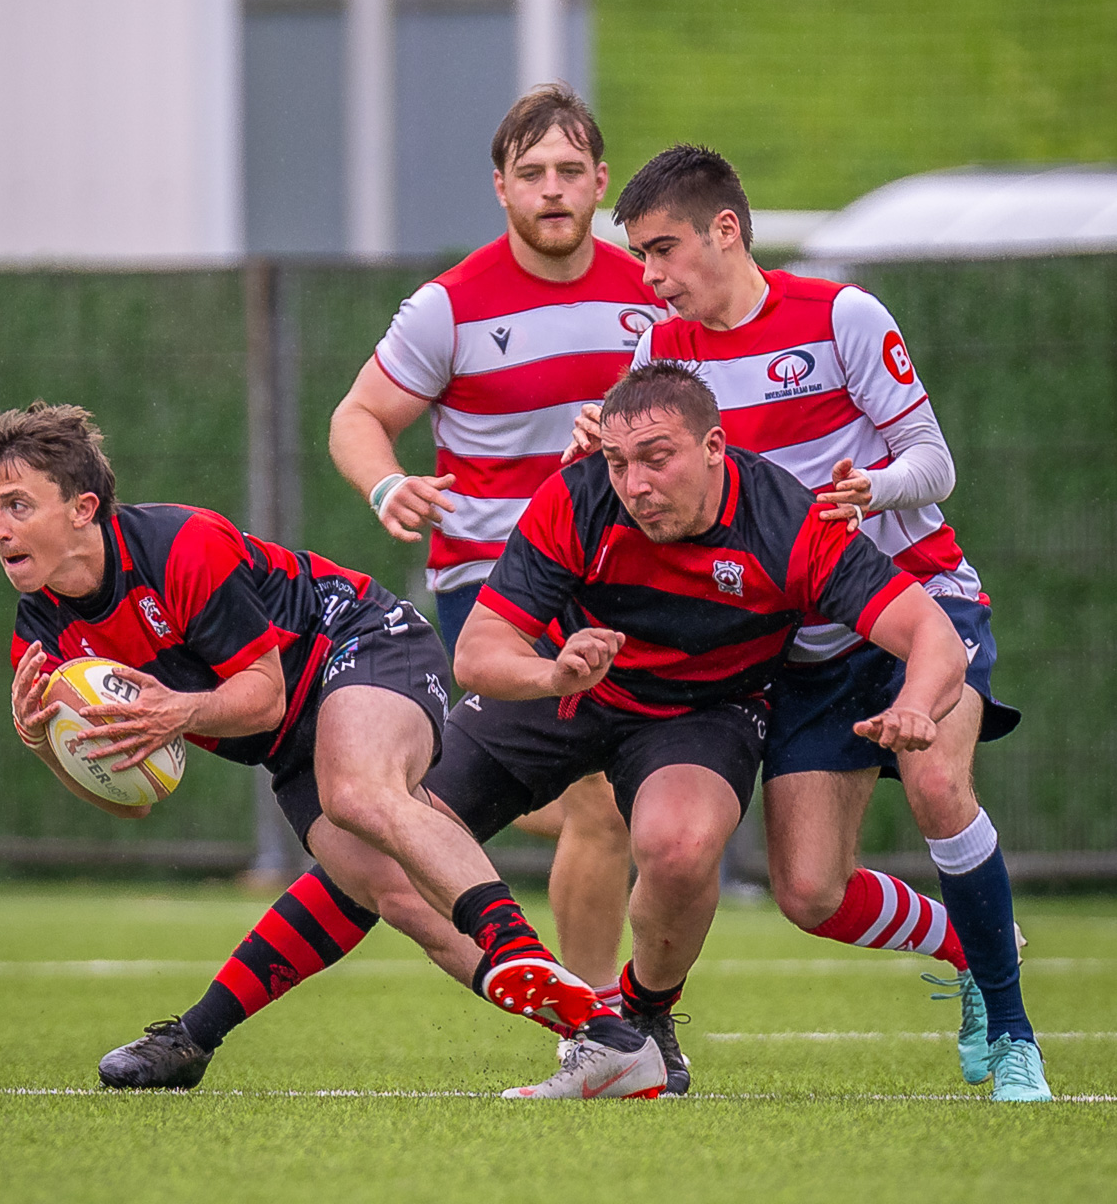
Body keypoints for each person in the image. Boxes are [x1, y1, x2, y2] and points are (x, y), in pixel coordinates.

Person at [0, 400, 666, 1100]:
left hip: (362, 641)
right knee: (397, 895)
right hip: (289, 747)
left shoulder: (180, 546)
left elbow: (263, 696)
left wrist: (178, 710)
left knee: (356, 792)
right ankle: (609, 1039)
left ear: (83, 508)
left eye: (18, 505)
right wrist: (45, 743)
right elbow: (133, 803)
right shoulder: (40, 640)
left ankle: (510, 941)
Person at [567, 144, 1050, 1103]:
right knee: (808, 893)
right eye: (640, 257)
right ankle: (970, 944)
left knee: (938, 783)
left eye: (662, 249)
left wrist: (874, 489)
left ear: (725, 230)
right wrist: (596, 447)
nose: (650, 276)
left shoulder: (840, 315)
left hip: (918, 601)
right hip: (803, 643)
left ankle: (1013, 1034)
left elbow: (934, 461)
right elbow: (653, 486)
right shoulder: (661, 353)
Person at [426, 361, 968, 1098]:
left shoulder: (787, 521)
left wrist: (917, 704)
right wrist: (553, 673)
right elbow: (476, 653)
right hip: (571, 679)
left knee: (681, 851)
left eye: (657, 458)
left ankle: (639, 1021)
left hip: (702, 709)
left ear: (714, 447)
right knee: (391, 827)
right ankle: (588, 1025)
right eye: (619, 463)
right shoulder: (578, 496)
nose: (635, 484)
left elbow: (931, 633)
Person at [328, 83, 665, 1001]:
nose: (551, 188)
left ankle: (595, 1019)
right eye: (531, 172)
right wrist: (386, 483)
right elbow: (357, 416)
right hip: (493, 586)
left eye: (568, 170)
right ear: (500, 187)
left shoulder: (651, 294)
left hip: (617, 582)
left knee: (607, 802)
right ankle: (598, 1020)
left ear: (600, 181)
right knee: (598, 799)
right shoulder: (449, 305)